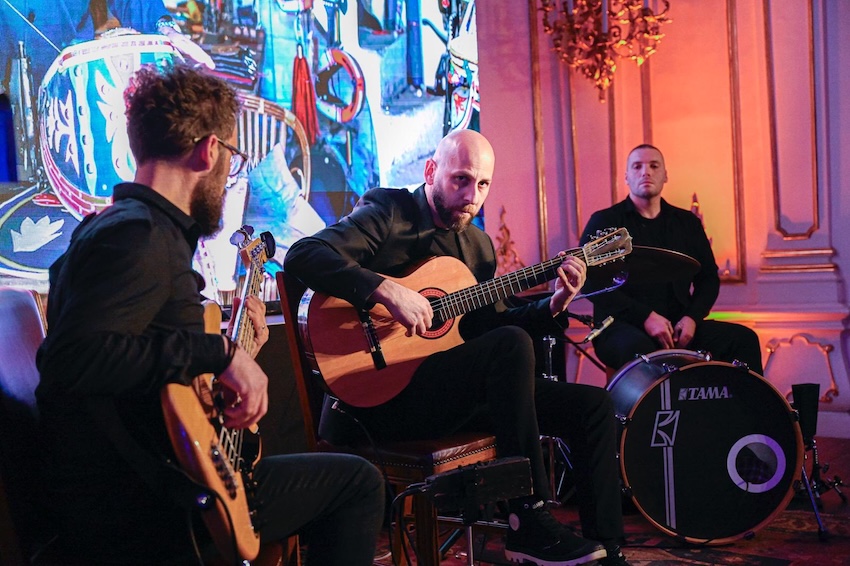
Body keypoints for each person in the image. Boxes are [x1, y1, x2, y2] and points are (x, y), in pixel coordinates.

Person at [35, 63, 384, 565]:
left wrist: (222, 365)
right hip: (146, 508)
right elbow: (74, 358)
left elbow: (134, 371)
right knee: (358, 483)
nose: (229, 176)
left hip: (139, 487)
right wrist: (220, 352)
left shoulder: (123, 229)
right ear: (209, 150)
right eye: (232, 158)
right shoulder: (139, 236)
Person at [284, 129, 631, 566]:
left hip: (445, 398)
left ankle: (609, 551)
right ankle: (528, 518)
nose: (472, 196)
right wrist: (385, 291)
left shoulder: (477, 246)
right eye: (461, 180)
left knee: (592, 405)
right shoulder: (388, 213)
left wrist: (555, 303)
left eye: (483, 184)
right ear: (432, 171)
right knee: (509, 346)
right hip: (376, 403)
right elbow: (303, 254)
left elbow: (496, 327)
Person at [579, 143, 763, 375]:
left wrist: (692, 318)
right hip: (620, 326)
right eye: (637, 166)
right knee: (643, 353)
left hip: (678, 326)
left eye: (654, 166)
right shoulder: (604, 221)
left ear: (665, 175)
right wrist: (645, 317)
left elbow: (708, 278)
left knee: (744, 339)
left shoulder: (687, 223)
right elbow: (590, 282)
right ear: (626, 177)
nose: (646, 172)